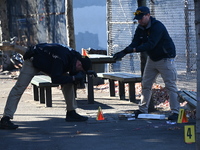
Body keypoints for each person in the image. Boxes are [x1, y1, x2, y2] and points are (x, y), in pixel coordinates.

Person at [0, 43, 92, 129]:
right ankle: (5, 119)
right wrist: (74, 78)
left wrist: (86, 73)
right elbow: (56, 79)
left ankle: (71, 112)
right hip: (33, 61)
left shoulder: (76, 57)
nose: (78, 71)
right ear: (79, 63)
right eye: (80, 69)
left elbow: (72, 72)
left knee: (68, 82)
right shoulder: (61, 59)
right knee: (19, 87)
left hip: (48, 62)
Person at [113, 6, 180, 121]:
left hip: (165, 59)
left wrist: (133, 50)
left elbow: (151, 44)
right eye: (137, 19)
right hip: (152, 59)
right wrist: (124, 52)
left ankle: (175, 112)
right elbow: (135, 42)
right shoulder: (140, 28)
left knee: (170, 86)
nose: (139, 21)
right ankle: (142, 109)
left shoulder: (157, 26)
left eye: (141, 18)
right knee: (146, 84)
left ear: (148, 15)